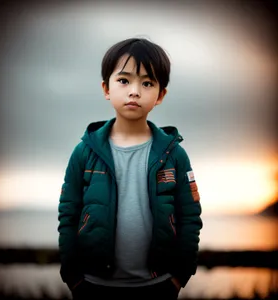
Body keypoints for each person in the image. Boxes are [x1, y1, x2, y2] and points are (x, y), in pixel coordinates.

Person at [57, 37, 203, 300]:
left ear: (160, 95)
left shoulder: (174, 154)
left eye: (147, 83)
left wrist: (180, 276)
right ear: (106, 88)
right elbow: (68, 214)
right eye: (124, 80)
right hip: (93, 285)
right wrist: (73, 277)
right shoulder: (84, 152)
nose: (134, 91)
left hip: (158, 286)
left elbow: (190, 217)